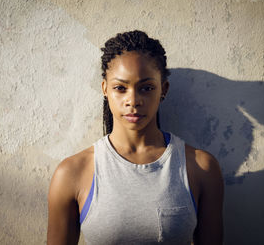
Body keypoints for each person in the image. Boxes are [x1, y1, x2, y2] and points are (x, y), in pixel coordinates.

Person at [47, 30, 224, 245]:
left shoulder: (200, 168)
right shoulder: (72, 173)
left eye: (146, 88)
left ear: (163, 90)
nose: (133, 100)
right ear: (105, 89)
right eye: (120, 88)